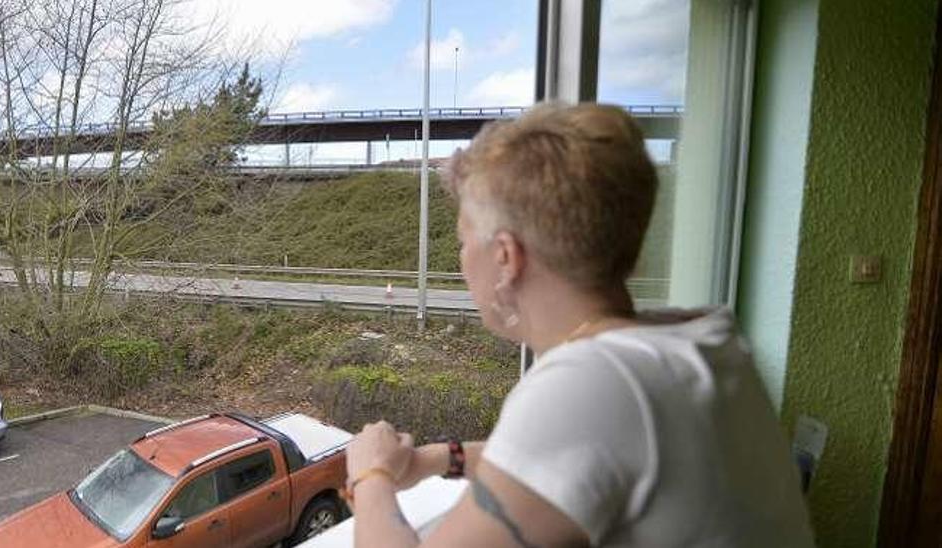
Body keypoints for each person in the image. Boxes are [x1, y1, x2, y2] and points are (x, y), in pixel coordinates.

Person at [344, 103, 815, 547]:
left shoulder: (597, 381)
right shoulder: (695, 340)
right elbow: (567, 456)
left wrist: (372, 475)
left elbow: (578, 426)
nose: (460, 258)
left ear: (505, 258)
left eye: (465, 240)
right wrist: (438, 460)